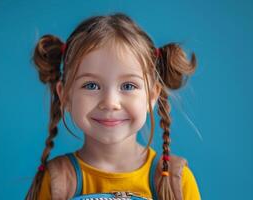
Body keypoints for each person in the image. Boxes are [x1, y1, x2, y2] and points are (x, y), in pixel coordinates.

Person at [26, 13, 201, 200]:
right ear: (65, 95)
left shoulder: (177, 183)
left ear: (151, 96)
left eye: (128, 86)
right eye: (91, 85)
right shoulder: (56, 182)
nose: (110, 102)